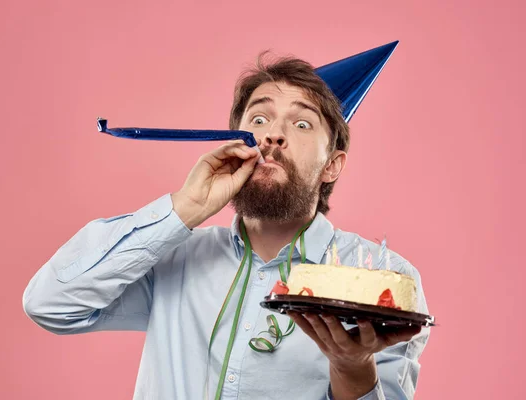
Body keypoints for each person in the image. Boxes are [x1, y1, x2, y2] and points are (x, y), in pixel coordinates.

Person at [23, 53, 430, 400]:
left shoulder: (382, 281)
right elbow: (51, 304)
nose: (273, 135)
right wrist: (184, 209)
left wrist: (352, 367)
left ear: (332, 165)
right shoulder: (173, 257)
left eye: (302, 124)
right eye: (258, 118)